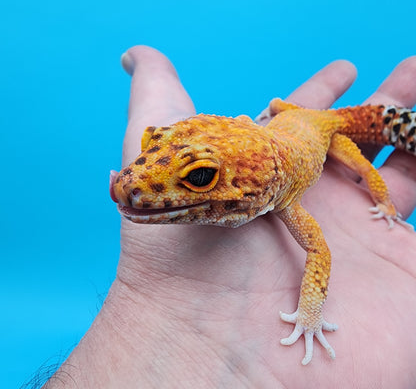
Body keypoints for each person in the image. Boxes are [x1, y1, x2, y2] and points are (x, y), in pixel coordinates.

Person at [44, 46, 416, 388]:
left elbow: (320, 253)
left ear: (264, 189)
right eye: (152, 143)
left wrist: (310, 314)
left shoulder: (286, 198)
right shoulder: (260, 147)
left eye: (200, 178)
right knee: (280, 107)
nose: (131, 182)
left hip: (324, 129)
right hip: (290, 119)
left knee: (369, 172)